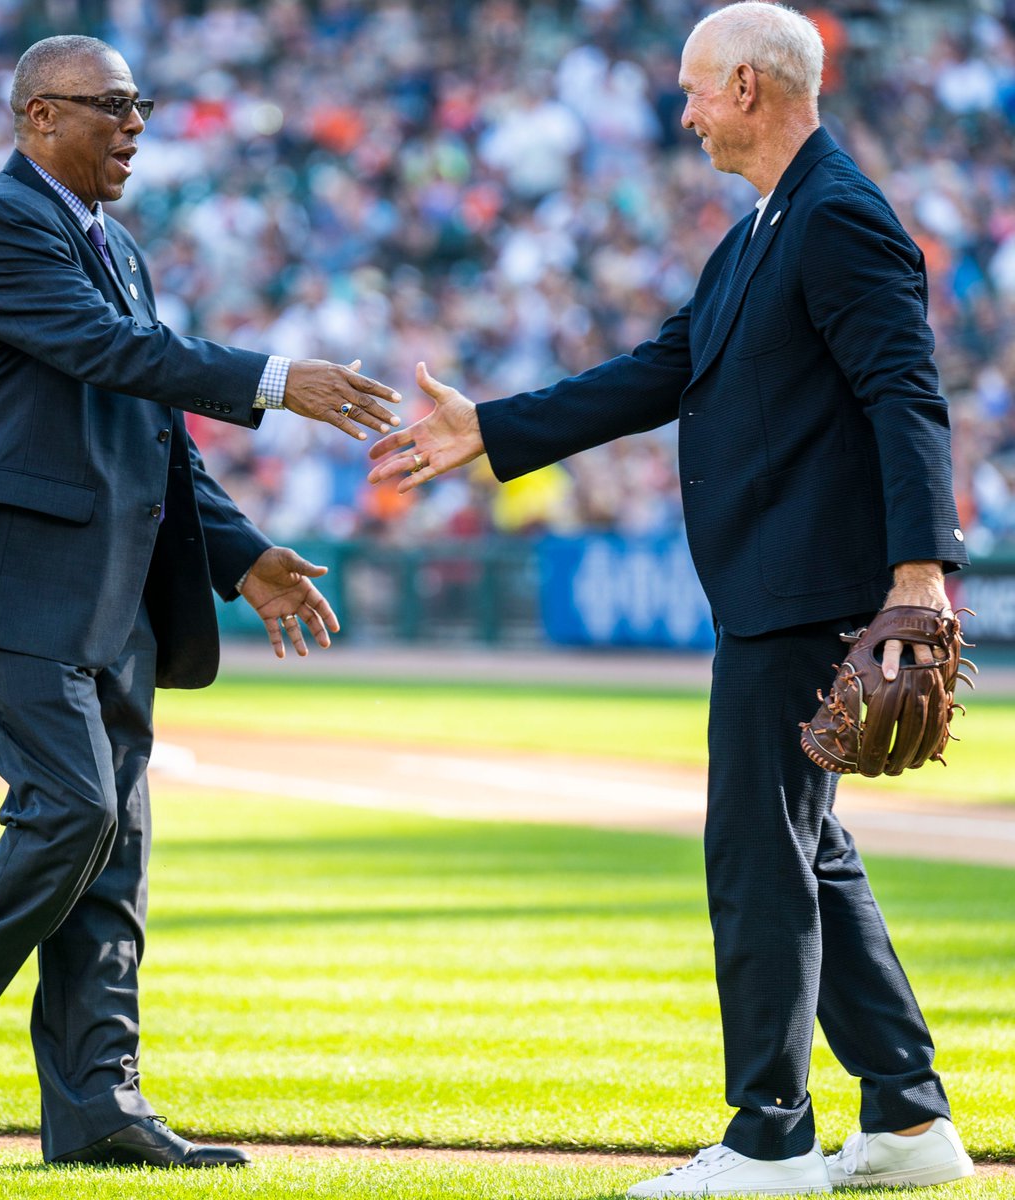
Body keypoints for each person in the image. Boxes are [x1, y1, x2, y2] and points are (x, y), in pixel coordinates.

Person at [369, 4, 973, 1195]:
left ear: (749, 86)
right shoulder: (765, 225)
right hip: (775, 584)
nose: (683, 110)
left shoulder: (839, 215)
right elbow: (661, 369)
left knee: (756, 853)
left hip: (810, 591)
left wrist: (920, 576)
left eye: (695, 89)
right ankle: (907, 1118)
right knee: (810, 848)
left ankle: (771, 1137)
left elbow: (909, 397)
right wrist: (493, 430)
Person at [0, 34, 401, 1171]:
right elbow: (112, 353)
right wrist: (272, 378)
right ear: (35, 118)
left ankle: (97, 1104)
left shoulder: (117, 247)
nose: (134, 126)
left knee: (114, 859)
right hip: (12, 576)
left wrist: (242, 553)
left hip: (115, 590)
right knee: (74, 815)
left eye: (141, 104)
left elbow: (154, 432)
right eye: (110, 105)